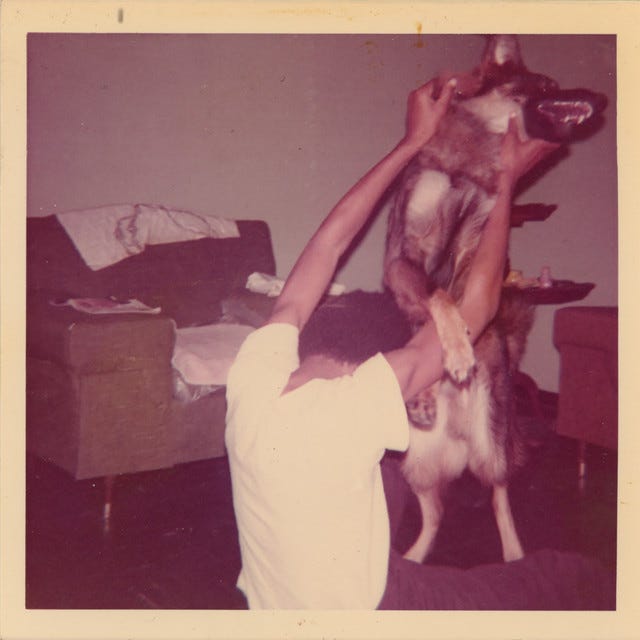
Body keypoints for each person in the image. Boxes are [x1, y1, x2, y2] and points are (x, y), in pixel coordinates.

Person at [224, 78, 615, 610]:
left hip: (275, 608)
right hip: (373, 611)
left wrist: (412, 142)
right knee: (566, 577)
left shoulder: (252, 379)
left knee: (388, 468)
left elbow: (327, 246)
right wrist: (505, 184)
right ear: (365, 367)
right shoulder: (356, 405)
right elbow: (477, 310)